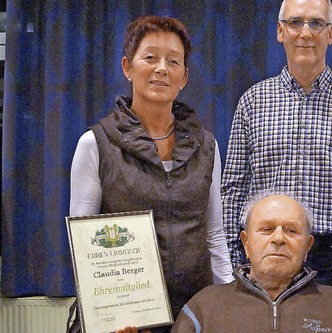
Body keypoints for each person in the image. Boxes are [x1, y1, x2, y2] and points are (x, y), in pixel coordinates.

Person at [221, 0, 332, 320]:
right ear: (280, 32)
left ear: (331, 33)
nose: (305, 33)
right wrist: (232, 265)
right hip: (265, 257)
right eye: (295, 22)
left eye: (316, 23)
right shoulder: (253, 102)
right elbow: (233, 191)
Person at [69, 16, 233, 331]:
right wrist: (108, 315)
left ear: (184, 77)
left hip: (194, 313)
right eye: (150, 57)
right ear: (128, 67)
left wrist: (225, 302)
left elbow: (214, 235)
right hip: (124, 318)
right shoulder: (95, 144)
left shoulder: (207, 145)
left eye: (173, 61)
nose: (161, 68)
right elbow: (84, 246)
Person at [170, 193, 332, 332]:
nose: (278, 238)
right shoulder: (203, 308)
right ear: (245, 243)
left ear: (308, 246)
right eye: (266, 229)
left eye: (291, 230)